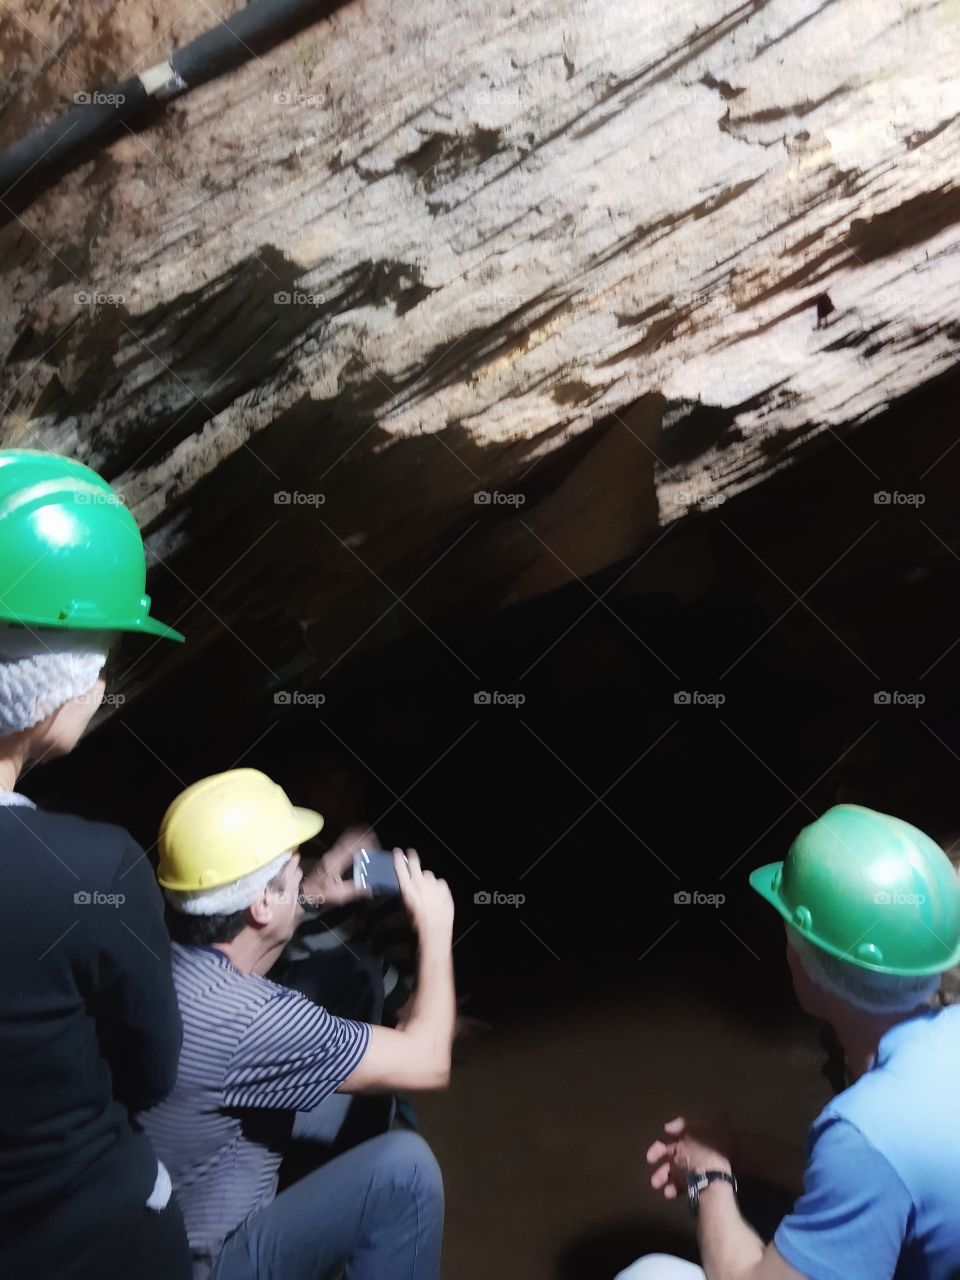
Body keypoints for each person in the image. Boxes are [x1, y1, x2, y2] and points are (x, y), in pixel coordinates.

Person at [619, 804, 960, 1280]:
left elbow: (871, 1162)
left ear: (804, 964)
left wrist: (709, 1176)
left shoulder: (865, 1131)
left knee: (650, 1274)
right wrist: (739, 1151)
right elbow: (894, 1176)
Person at [140, 767, 453, 1280]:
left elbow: (253, 936)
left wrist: (309, 894)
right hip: (205, 1264)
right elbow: (430, 1060)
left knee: (363, 1082)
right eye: (293, 867)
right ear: (262, 903)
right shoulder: (252, 1018)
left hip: (163, 1211)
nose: (302, 871)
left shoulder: (152, 952)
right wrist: (435, 929)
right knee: (406, 1170)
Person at [0, 450, 191, 1278]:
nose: (106, 676)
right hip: (91, 1240)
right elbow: (151, 1072)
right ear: (49, 683)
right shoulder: (94, 871)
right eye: (100, 651)